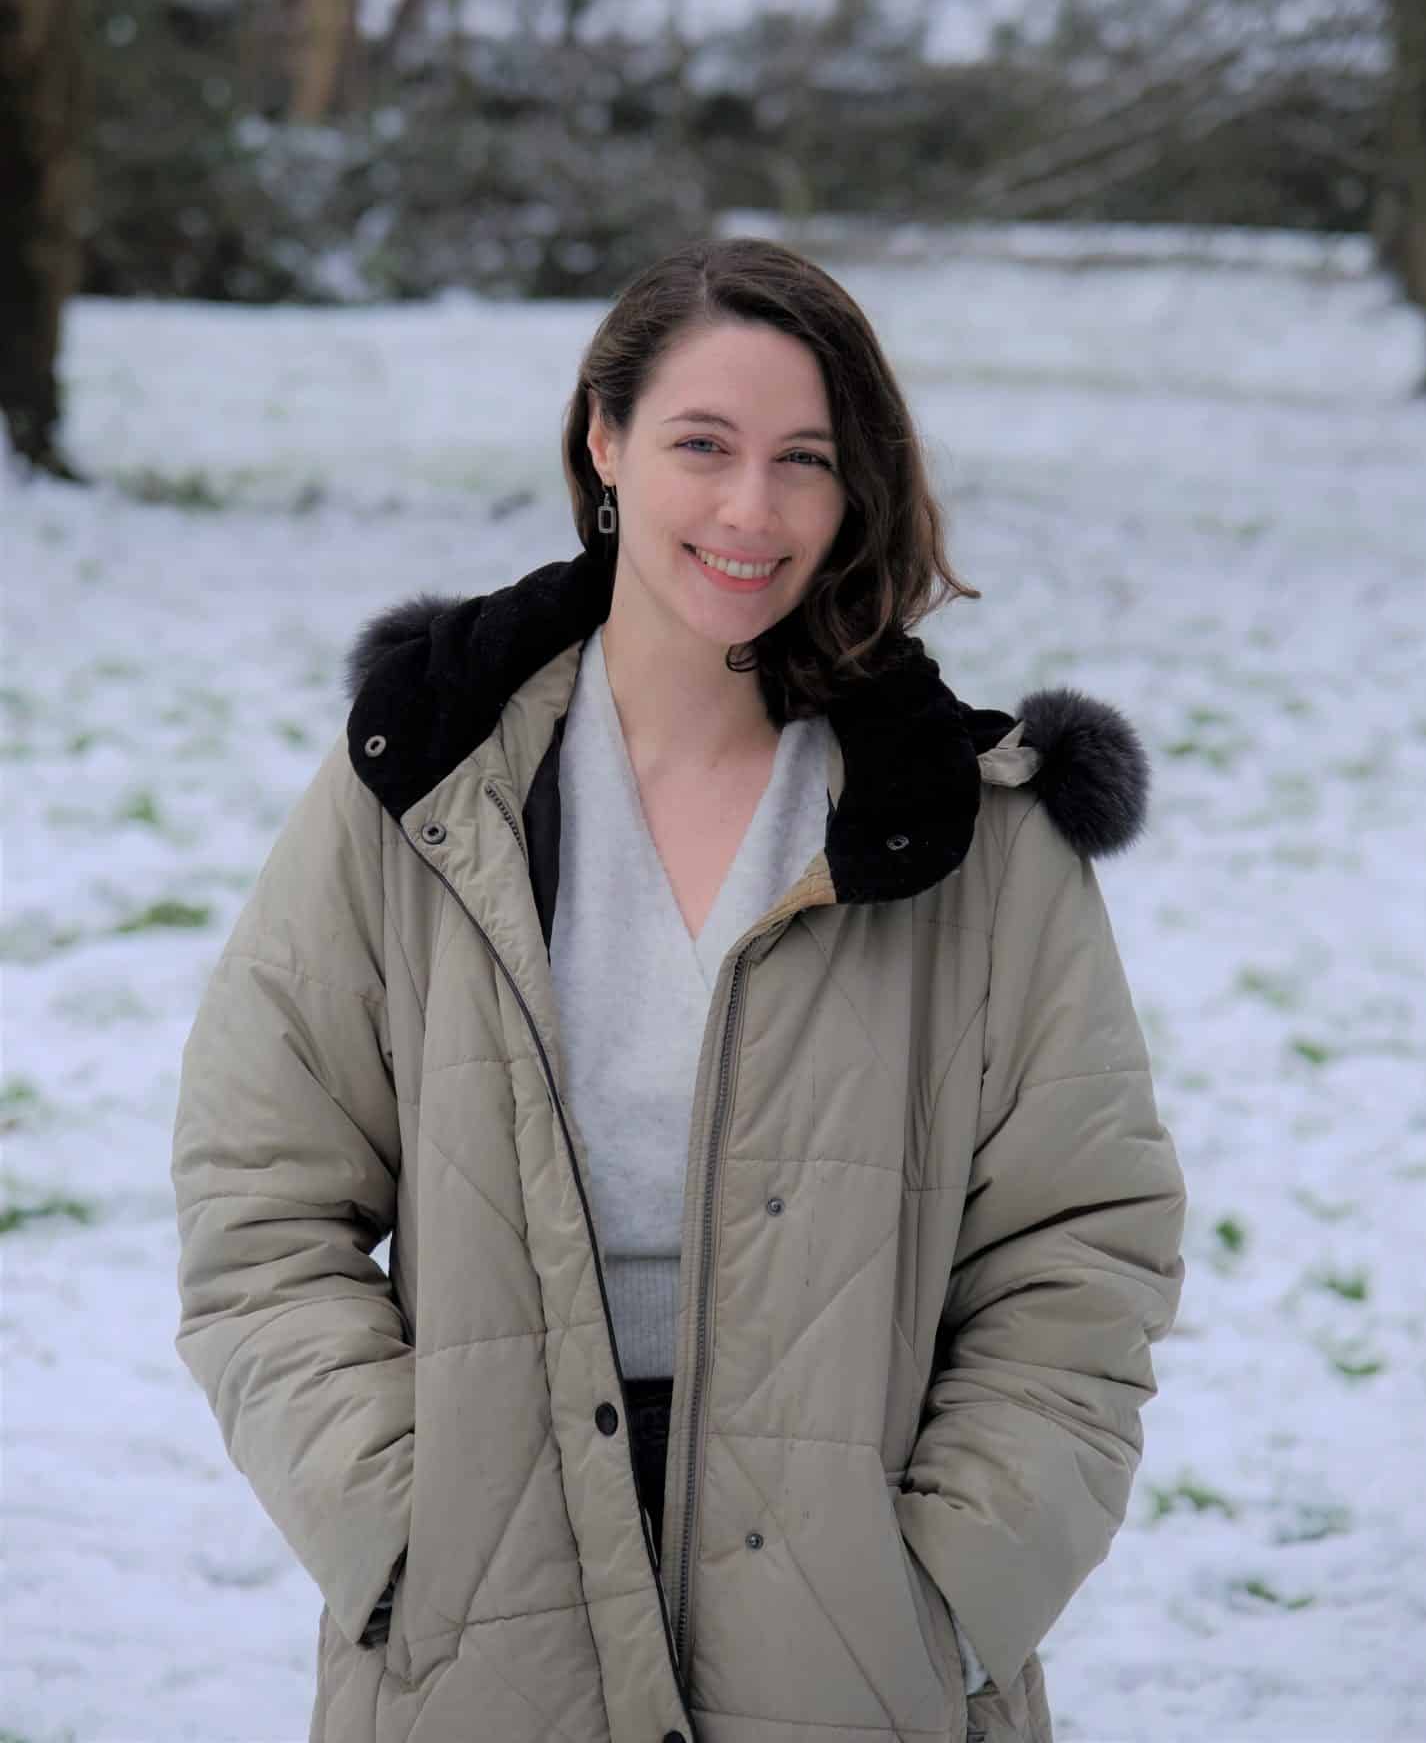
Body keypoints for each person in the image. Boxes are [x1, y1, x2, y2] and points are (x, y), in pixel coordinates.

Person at [171, 235, 1186, 1743]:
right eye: (701, 445)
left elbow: (1079, 1250)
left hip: (852, 1651)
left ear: (859, 492)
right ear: (604, 440)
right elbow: (260, 1202)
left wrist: (951, 1594)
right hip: (484, 1632)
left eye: (806, 461)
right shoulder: (422, 784)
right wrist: (402, 1532)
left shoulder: (984, 836)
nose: (748, 511)